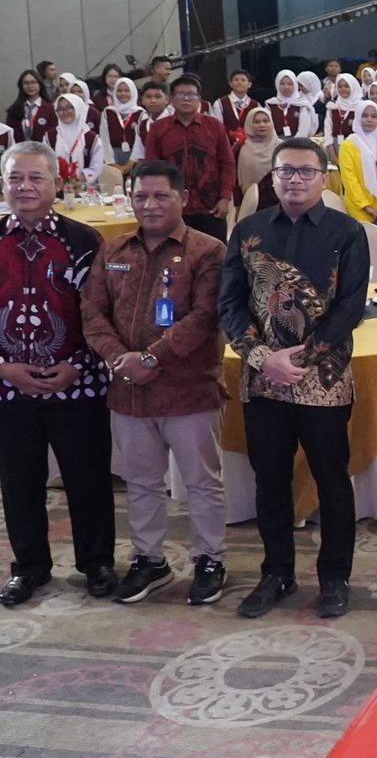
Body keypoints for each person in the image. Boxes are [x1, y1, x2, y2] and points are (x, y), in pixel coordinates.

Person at [218, 137, 370, 620]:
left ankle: (334, 578)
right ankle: (276, 573)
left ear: (325, 178)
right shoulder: (249, 230)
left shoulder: (347, 232)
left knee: (331, 479)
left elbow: (350, 307)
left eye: (306, 171)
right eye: (286, 171)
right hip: (264, 379)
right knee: (270, 481)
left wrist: (300, 359)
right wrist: (264, 357)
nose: (295, 180)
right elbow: (230, 304)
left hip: (323, 378)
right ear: (273, 177)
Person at [80, 159, 228, 606]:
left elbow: (204, 317)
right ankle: (150, 561)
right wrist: (118, 358)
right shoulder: (113, 250)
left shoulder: (208, 251)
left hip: (189, 390)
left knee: (202, 482)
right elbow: (92, 311)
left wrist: (151, 357)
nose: (149, 204)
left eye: (161, 195)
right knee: (140, 483)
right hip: (128, 391)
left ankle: (209, 560)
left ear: (182, 198)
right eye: (140, 196)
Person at [0, 142, 116, 606]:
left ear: (55, 184)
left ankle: (97, 563)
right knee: (18, 481)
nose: (24, 187)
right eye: (15, 178)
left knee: (87, 478)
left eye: (35, 178)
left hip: (78, 382)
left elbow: (103, 313)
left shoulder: (84, 240)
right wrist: (6, 368)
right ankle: (29, 568)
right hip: (9, 387)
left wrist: (77, 366)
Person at [143, 74, 235, 243]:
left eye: (191, 94)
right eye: (180, 94)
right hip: (172, 206)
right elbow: (151, 168)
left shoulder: (215, 126)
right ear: (171, 99)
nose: (186, 99)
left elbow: (227, 164)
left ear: (199, 99)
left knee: (214, 259)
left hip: (210, 206)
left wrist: (225, 198)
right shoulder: (158, 129)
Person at [339, 101, 377, 224]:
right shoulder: (349, 145)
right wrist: (366, 206)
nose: (369, 119)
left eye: (373, 116)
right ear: (357, 117)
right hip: (360, 211)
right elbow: (350, 180)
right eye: (364, 116)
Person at [45, 92, 104, 191]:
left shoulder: (92, 138)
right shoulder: (49, 137)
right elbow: (45, 164)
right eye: (60, 109)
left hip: (85, 190)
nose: (65, 112)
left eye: (69, 107)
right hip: (57, 190)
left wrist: (78, 181)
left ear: (78, 108)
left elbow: (96, 167)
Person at [234, 106, 280, 212]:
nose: (262, 125)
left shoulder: (282, 147)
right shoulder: (241, 148)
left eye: (265, 121)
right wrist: (238, 206)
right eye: (257, 122)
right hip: (251, 205)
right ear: (249, 124)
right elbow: (235, 180)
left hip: (279, 205)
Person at [98, 77, 147, 167]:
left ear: (132, 92)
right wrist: (112, 163)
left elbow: (139, 143)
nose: (123, 94)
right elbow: (104, 139)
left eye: (126, 90)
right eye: (119, 90)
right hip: (113, 157)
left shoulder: (141, 113)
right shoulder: (108, 112)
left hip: (135, 159)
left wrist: (129, 165)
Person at [266, 70, 316, 140]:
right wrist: (277, 142)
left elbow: (304, 128)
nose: (286, 87)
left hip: (297, 142)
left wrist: (294, 144)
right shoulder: (270, 104)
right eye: (282, 84)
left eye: (290, 84)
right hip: (275, 141)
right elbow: (267, 125)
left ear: (295, 85)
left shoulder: (301, 104)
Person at [213, 70, 258, 143]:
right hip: (227, 146)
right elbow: (217, 128)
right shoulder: (219, 103)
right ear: (230, 84)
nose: (239, 82)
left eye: (243, 80)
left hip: (251, 147)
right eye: (236, 80)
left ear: (249, 84)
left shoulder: (256, 105)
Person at [321, 72, 362, 149]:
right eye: (339, 86)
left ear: (353, 87)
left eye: (347, 86)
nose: (343, 89)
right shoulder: (332, 107)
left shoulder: (360, 107)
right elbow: (328, 130)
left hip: (355, 146)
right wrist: (331, 150)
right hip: (335, 144)